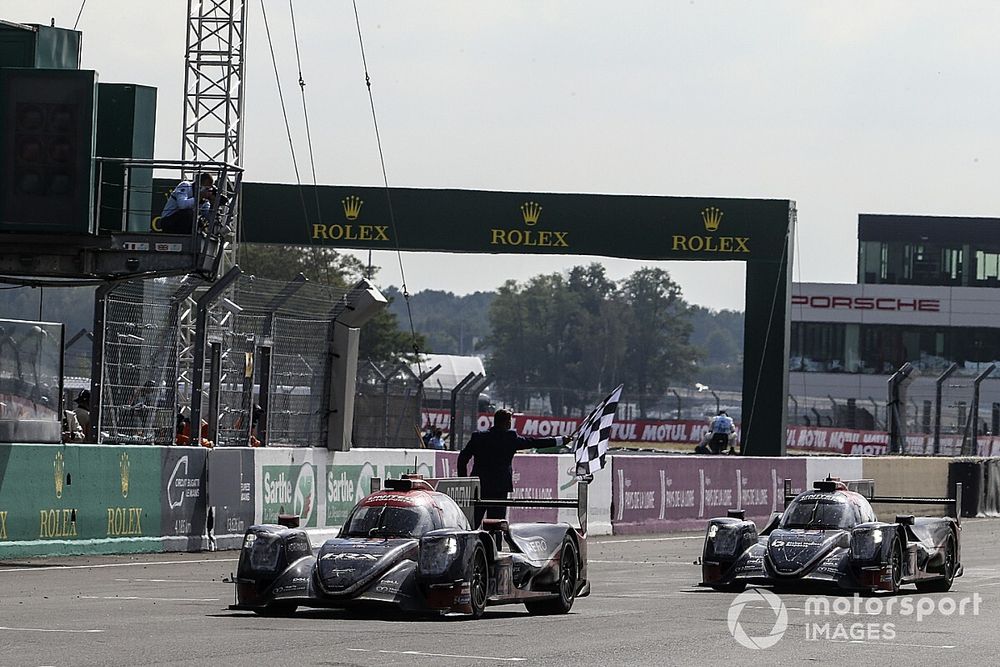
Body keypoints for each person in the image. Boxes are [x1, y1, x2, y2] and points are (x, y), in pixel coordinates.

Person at [457, 408, 569, 526]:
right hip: (500, 488)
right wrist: (560, 440)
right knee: (496, 525)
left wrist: (463, 480)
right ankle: (496, 544)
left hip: (479, 486)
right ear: (507, 423)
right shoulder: (510, 437)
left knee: (471, 523)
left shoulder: (478, 437)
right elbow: (535, 442)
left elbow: (462, 458)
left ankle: (468, 544)